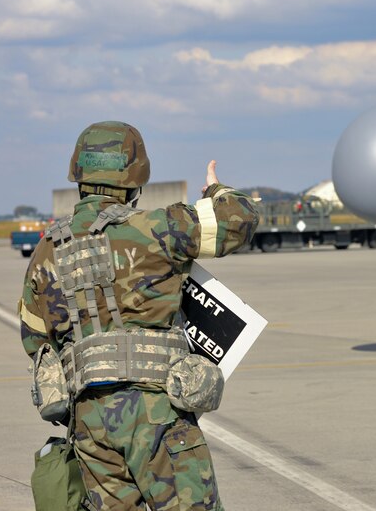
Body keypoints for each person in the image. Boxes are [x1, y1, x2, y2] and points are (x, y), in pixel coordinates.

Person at [18, 121, 259, 510]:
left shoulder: (46, 251)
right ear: (136, 179)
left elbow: (34, 338)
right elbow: (239, 220)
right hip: (156, 412)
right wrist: (217, 190)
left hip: (90, 423)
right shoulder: (157, 228)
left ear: (78, 174)